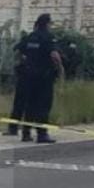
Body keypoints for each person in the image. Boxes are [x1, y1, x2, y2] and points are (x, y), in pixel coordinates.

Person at [16, 13, 65, 143]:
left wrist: (26, 65)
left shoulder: (30, 37)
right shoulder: (48, 37)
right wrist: (60, 69)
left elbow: (20, 52)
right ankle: (42, 134)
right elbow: (54, 55)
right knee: (43, 106)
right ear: (48, 24)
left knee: (30, 105)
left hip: (29, 76)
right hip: (44, 77)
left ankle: (26, 133)